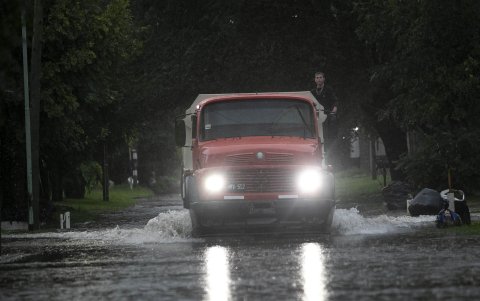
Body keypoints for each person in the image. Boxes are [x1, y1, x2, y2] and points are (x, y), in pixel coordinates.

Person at [311, 71, 339, 165]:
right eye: (317, 78)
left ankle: (329, 159)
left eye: (320, 77)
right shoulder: (312, 92)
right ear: (315, 80)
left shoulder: (328, 90)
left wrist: (333, 111)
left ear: (324, 79)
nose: (319, 79)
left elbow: (335, 102)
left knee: (328, 137)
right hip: (316, 119)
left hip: (326, 117)